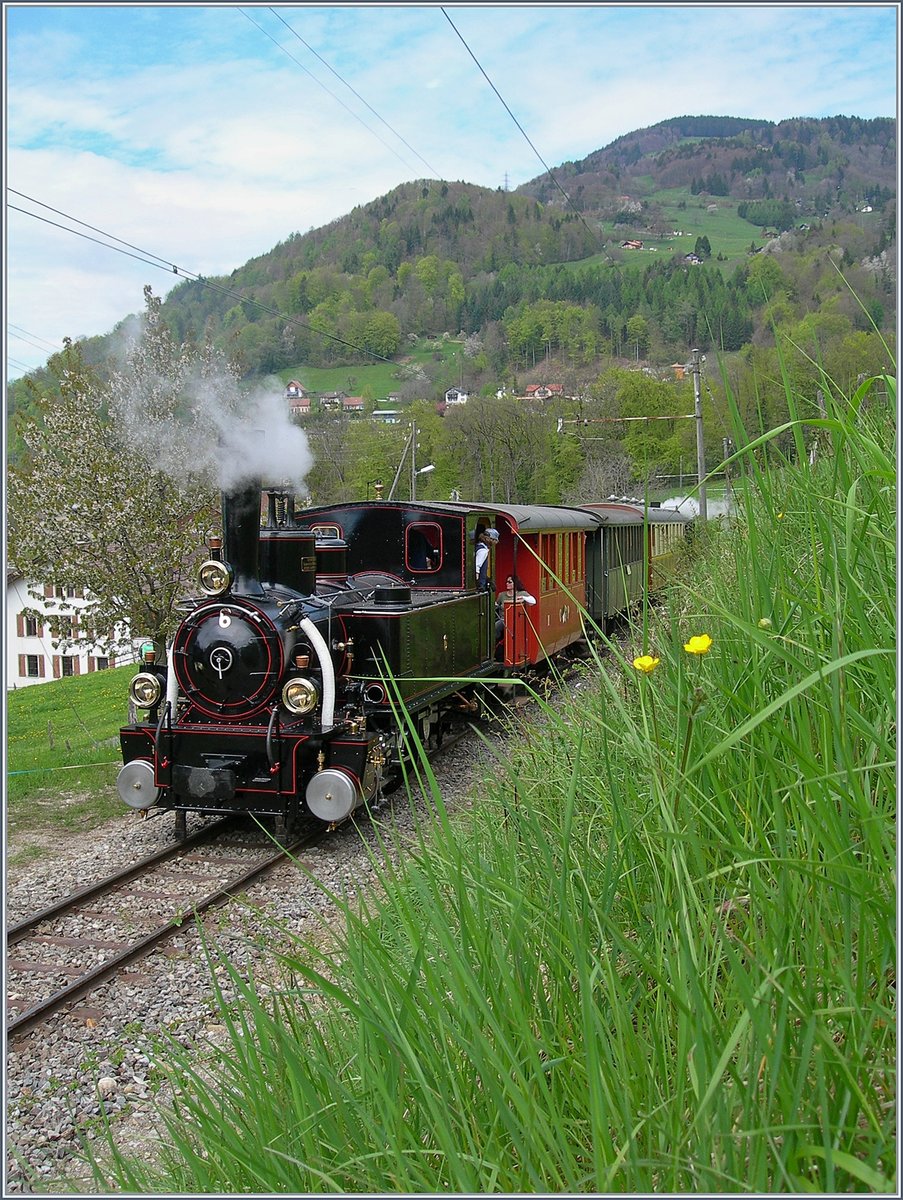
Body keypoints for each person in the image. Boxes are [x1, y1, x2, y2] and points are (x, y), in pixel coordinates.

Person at [495, 573, 536, 648]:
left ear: (515, 583)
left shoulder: (522, 593)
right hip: (503, 619)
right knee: (496, 626)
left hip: (516, 621)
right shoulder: (501, 595)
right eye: (507, 582)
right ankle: (496, 644)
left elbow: (533, 601)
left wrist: (523, 598)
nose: (507, 583)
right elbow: (496, 606)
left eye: (510, 582)